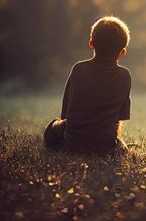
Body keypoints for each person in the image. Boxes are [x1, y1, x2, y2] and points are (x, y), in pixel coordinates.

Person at [44, 16, 131, 155]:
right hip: (105, 144)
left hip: (73, 142)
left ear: (91, 43)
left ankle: (57, 146)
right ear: (122, 53)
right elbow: (119, 118)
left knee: (53, 125)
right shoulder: (124, 76)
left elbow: (66, 112)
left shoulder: (79, 69)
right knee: (117, 142)